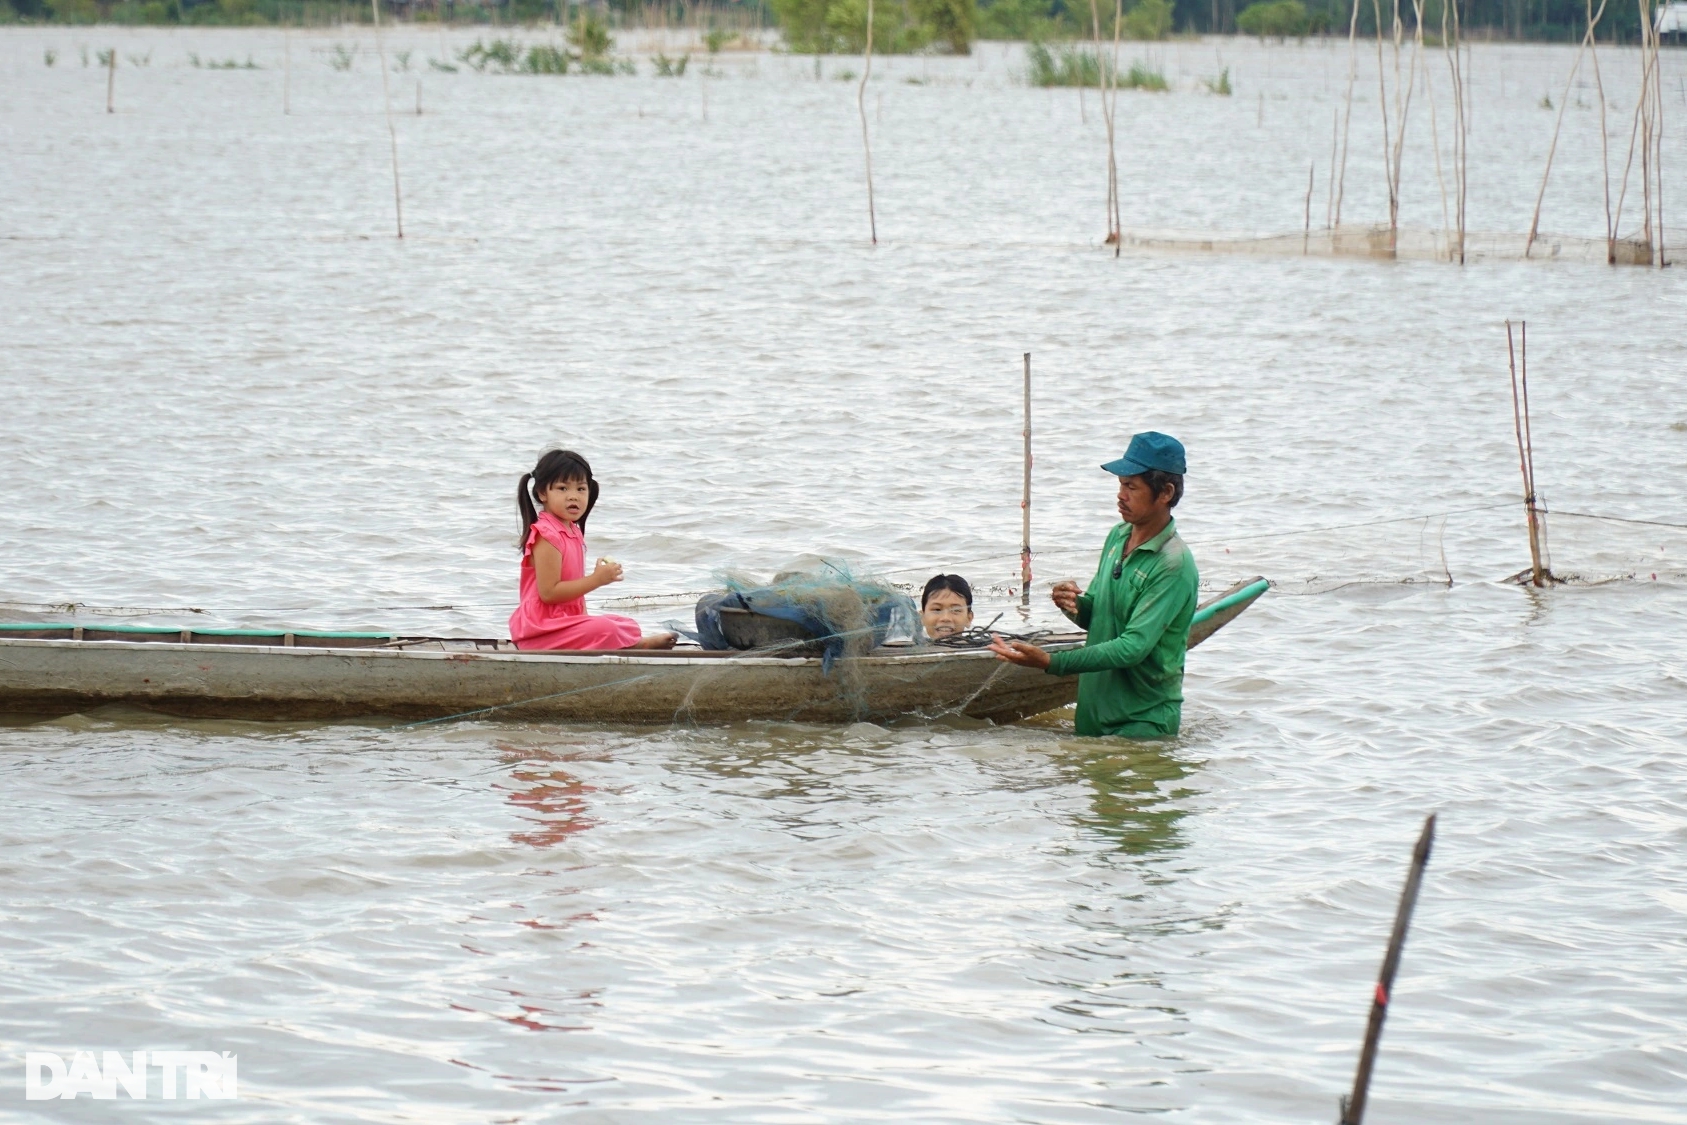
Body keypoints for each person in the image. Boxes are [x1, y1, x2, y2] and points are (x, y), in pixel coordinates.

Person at [988, 432, 1198, 738]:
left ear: (1165, 492)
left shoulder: (1173, 564)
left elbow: (1132, 649)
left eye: (1131, 487)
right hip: (1093, 716)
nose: (1120, 495)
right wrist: (1071, 605)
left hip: (1141, 724)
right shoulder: (1118, 536)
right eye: (1120, 485)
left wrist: (1051, 662)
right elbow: (1097, 618)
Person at [508, 450, 676, 651]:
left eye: (581, 489)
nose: (573, 496)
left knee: (622, 624)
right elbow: (549, 593)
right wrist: (597, 579)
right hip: (540, 631)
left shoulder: (572, 531)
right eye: (562, 488)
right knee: (605, 628)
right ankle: (639, 645)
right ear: (543, 493)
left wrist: (584, 619)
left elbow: (576, 596)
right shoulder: (546, 534)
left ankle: (630, 643)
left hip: (566, 624)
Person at [920, 573, 975, 640]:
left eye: (956, 610)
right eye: (937, 610)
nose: (945, 618)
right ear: (922, 617)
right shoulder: (910, 649)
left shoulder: (984, 648)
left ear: (969, 618)